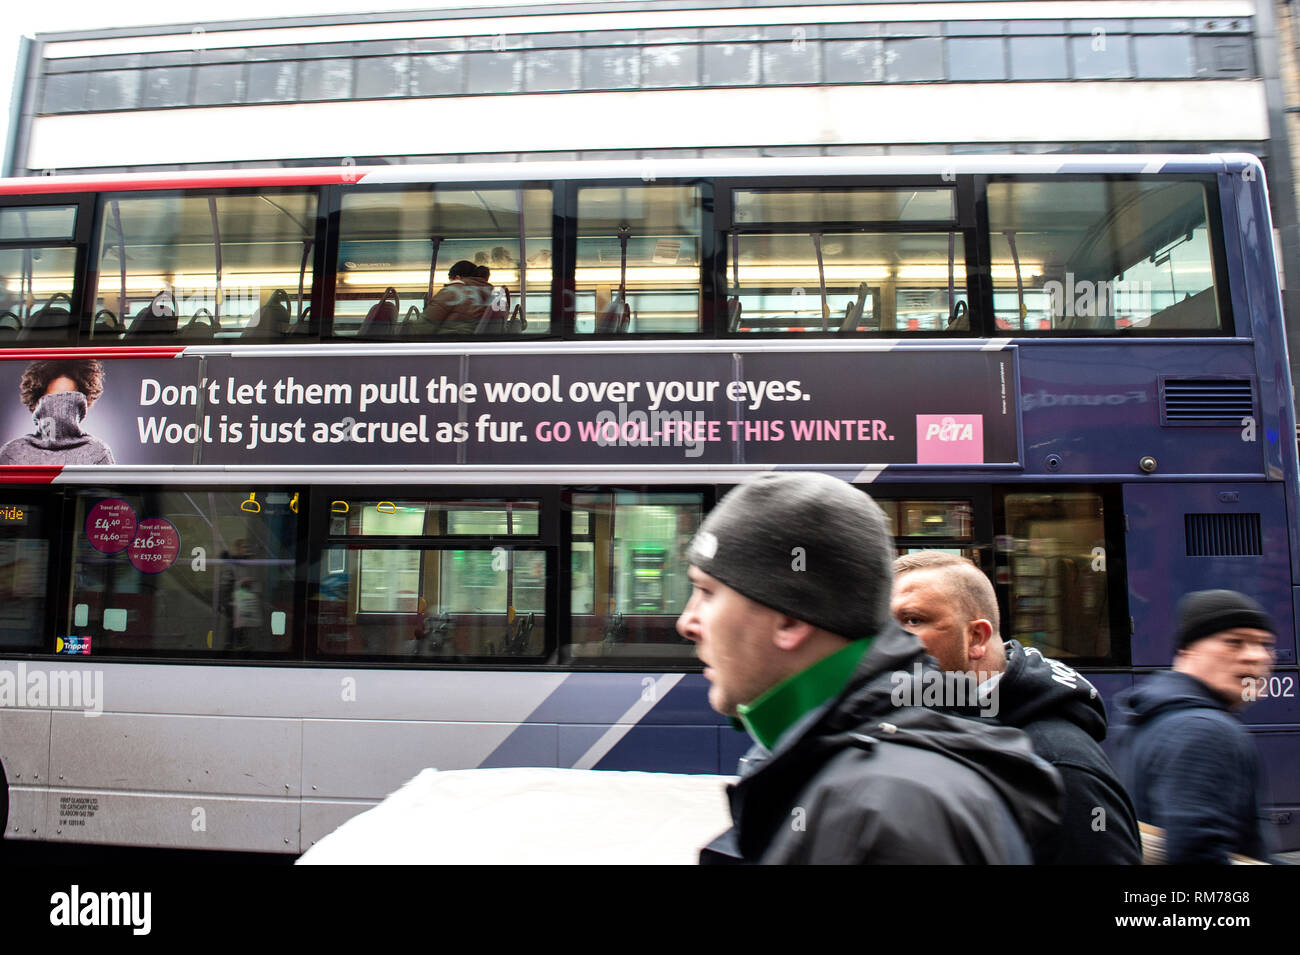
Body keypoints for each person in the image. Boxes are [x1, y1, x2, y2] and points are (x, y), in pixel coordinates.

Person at [676, 472, 1061, 864]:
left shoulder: (890, 811)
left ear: (790, 620)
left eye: (708, 592)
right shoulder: (828, 763)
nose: (687, 623)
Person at [891, 551, 1141, 865]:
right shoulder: (938, 720)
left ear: (976, 637)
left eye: (913, 620)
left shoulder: (1058, 763)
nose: (887, 641)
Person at [1113, 589, 1276, 864]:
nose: (1255, 656)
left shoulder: (1148, 715)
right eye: (1234, 642)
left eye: (1264, 644)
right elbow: (1197, 854)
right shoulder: (1205, 730)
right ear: (1187, 650)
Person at [0, 359, 114, 465]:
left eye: (68, 397)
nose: (60, 406)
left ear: (81, 403)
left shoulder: (98, 453)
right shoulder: (12, 454)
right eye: (52, 398)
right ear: (37, 402)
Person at [418, 260, 492, 335]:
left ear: (457, 278)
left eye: (450, 280)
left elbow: (425, 325)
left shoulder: (453, 291)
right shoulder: (486, 293)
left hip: (448, 341)